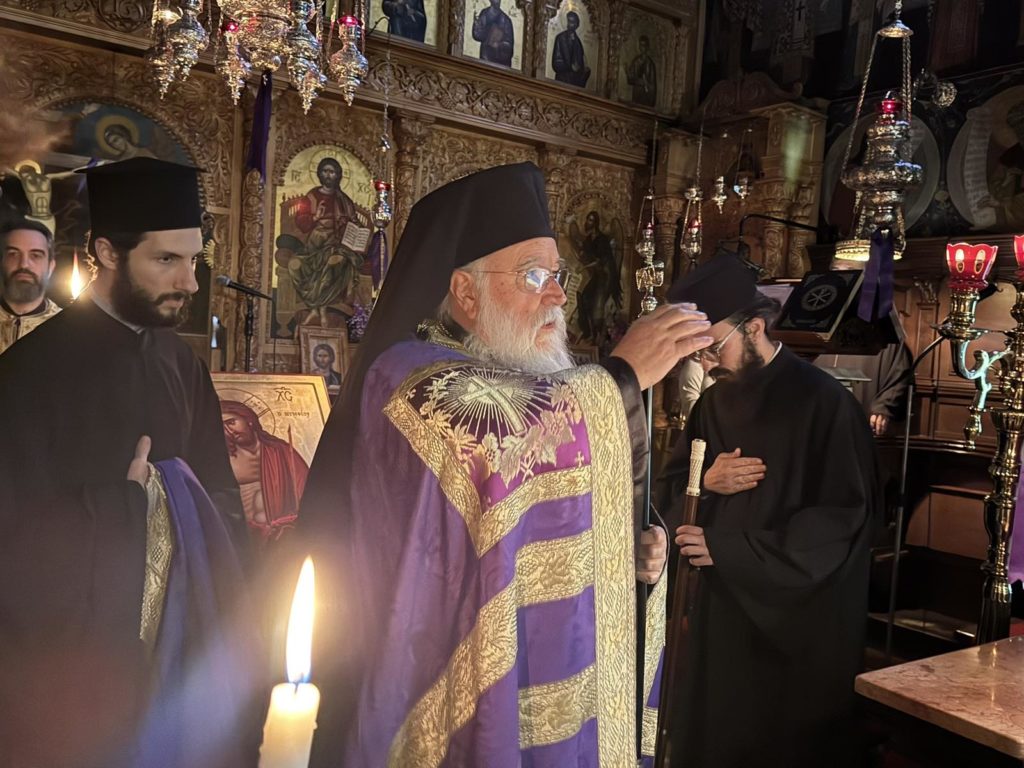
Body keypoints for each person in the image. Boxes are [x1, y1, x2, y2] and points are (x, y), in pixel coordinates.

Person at [300, 162, 714, 767]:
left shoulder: (526, 376)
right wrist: (622, 377)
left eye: (558, 275)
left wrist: (626, 551)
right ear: (466, 292)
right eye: (533, 275)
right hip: (427, 656)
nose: (558, 295)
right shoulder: (406, 373)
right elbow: (500, 436)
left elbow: (547, 498)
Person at [0, 157, 260, 767]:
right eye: (166, 260)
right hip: (71, 681)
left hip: (179, 662)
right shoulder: (28, 375)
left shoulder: (183, 366)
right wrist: (123, 507)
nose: (190, 282)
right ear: (106, 253)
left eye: (193, 260)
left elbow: (220, 499)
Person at [657, 253, 880, 768]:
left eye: (712, 348)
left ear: (754, 328)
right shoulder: (711, 405)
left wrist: (730, 550)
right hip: (721, 610)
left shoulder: (824, 403)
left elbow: (842, 520)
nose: (705, 365)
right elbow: (670, 489)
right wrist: (705, 483)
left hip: (795, 624)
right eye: (697, 354)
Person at [220, 400, 309, 542]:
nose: (229, 431)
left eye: (231, 422)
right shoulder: (224, 460)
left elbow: (306, 490)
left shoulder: (281, 451)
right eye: (222, 427)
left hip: (280, 537)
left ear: (248, 419)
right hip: (240, 538)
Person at [0, 217, 60, 353]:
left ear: (50, 267)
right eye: (13, 254)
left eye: (36, 255)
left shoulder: (68, 327)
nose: (24, 264)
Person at [574, 210, 621, 344]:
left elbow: (601, 260)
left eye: (591, 220)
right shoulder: (588, 239)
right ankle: (587, 332)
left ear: (596, 223)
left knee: (597, 304)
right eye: (587, 219)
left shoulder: (602, 239)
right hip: (596, 275)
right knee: (583, 297)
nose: (588, 222)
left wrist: (584, 267)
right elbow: (585, 253)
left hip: (605, 276)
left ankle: (598, 337)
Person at [551, 11, 590, 87]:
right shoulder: (560, 38)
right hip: (562, 81)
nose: (570, 25)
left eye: (573, 22)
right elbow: (555, 64)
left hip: (576, 84)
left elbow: (581, 62)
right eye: (569, 21)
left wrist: (584, 70)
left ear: (577, 24)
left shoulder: (578, 42)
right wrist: (569, 67)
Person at [471, 0, 515, 66]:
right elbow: (477, 35)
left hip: (500, 64)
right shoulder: (485, 13)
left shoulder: (506, 20)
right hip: (485, 59)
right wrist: (476, 25)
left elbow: (509, 47)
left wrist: (498, 45)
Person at [625, 35, 657, 107]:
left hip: (646, 97)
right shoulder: (636, 61)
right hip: (636, 94)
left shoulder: (650, 64)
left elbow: (652, 86)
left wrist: (646, 84)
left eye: (644, 45)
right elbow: (630, 80)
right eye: (641, 45)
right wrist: (628, 73)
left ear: (647, 47)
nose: (642, 48)